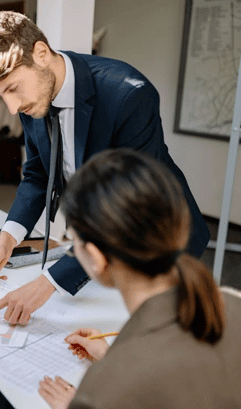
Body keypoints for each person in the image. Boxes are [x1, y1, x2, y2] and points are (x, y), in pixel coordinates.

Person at [0, 11, 210, 324]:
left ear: (40, 53)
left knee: (148, 341)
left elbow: (127, 208)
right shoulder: (31, 95)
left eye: (12, 89)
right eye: (1, 98)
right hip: (101, 254)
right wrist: (6, 240)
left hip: (158, 241)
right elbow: (38, 175)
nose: (12, 108)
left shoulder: (128, 93)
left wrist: (47, 283)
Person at [34, 149, 241, 409]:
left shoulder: (103, 391)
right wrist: (115, 357)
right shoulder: (231, 302)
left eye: (71, 240)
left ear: (96, 257)